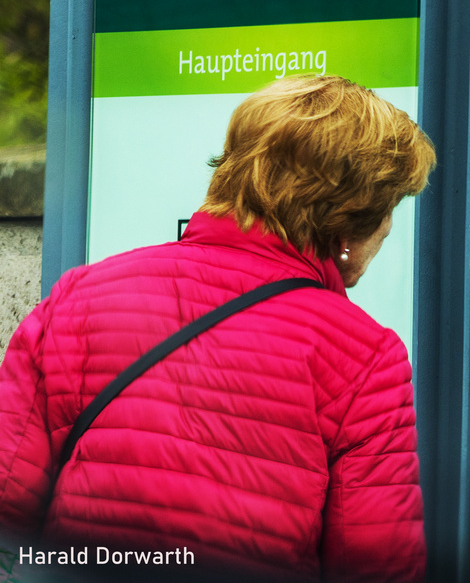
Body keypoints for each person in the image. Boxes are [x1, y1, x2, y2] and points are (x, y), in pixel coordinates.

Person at [0, 75, 435, 581]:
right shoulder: (365, 355)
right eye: (389, 209)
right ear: (348, 221)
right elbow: (377, 565)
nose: (387, 228)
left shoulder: (80, 297)